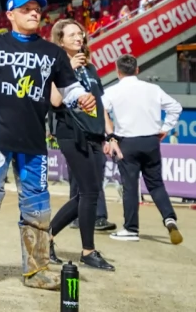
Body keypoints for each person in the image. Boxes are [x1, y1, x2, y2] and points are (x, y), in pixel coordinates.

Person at [0, 0, 96, 291]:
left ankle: (37, 272)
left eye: (37, 9)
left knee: (37, 208)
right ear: (10, 15)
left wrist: (82, 98)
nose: (34, 13)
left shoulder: (52, 53)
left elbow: (69, 87)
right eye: (26, 9)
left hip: (34, 142)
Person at [45, 20, 115, 271]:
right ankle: (88, 250)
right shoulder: (56, 65)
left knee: (89, 192)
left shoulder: (92, 68)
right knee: (88, 192)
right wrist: (69, 69)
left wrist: (111, 136)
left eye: (80, 34)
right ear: (60, 41)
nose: (79, 37)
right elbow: (54, 101)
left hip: (95, 134)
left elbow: (100, 105)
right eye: (72, 34)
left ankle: (47, 236)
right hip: (71, 134)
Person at [103, 54, 184, 244]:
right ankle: (169, 217)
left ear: (118, 71)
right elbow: (176, 107)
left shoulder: (113, 91)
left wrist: (109, 137)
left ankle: (131, 228)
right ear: (137, 70)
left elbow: (100, 111)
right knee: (155, 184)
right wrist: (165, 128)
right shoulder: (152, 89)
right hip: (150, 141)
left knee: (130, 186)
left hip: (127, 142)